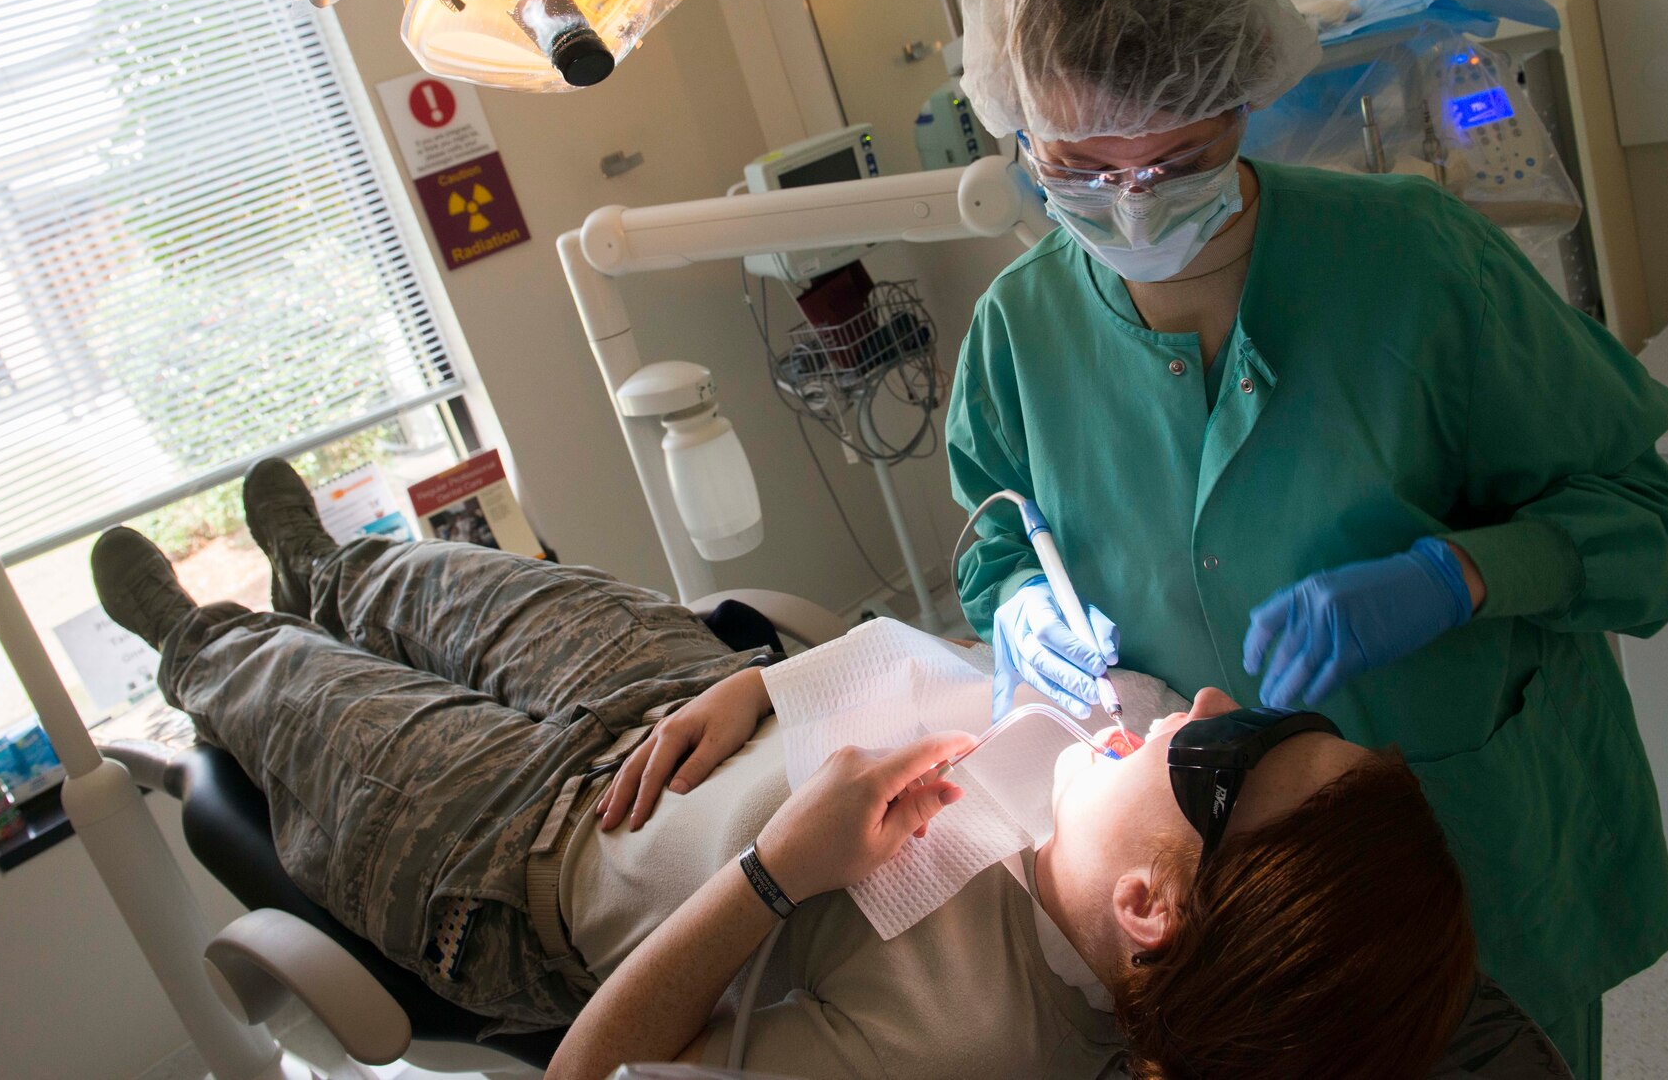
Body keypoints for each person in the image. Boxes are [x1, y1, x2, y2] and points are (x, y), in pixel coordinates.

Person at [947, 0, 1668, 1080]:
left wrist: (1456, 576)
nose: (1130, 210)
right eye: (1080, 170)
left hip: (1476, 834)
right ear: (1015, 130)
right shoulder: (1017, 333)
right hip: (1247, 934)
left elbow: (1641, 515)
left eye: (1172, 162)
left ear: (1240, 97)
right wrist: (1015, 605)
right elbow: (994, 531)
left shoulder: (1415, 263)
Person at [89, 458, 1514, 1080]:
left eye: (1231, 750)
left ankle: (200, 632)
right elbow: (915, 674)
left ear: (1154, 907)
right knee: (439, 577)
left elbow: (594, 1066)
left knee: (296, 690)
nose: (1206, 698)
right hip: (675, 698)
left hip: (527, 856)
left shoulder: (968, 1038)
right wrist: (763, 680)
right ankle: (323, 563)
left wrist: (779, 872)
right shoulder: (1095, 780)